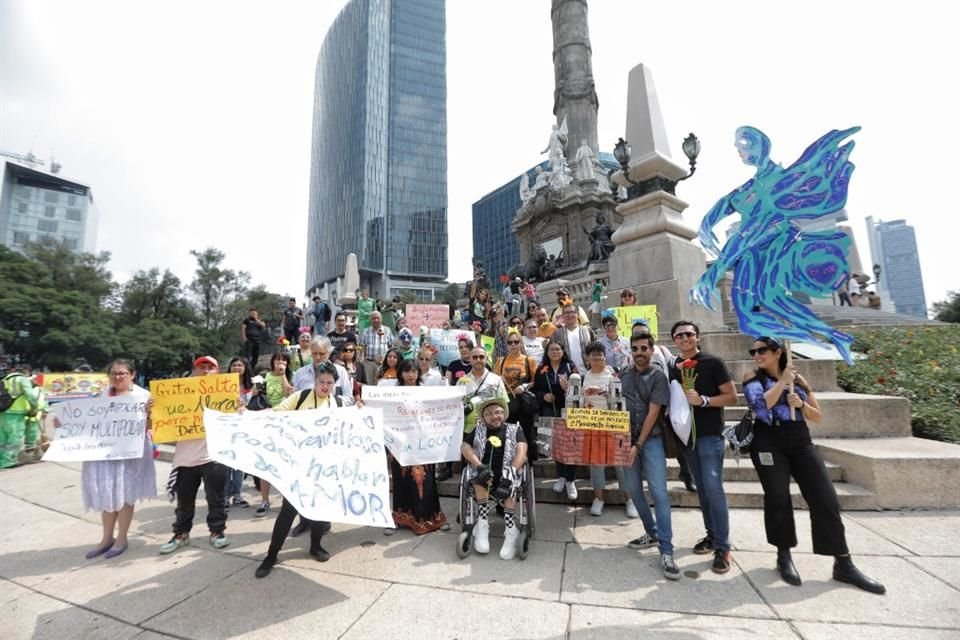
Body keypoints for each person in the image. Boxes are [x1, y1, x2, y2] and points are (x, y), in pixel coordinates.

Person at [743, 337, 885, 593]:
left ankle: (843, 561)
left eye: (761, 350)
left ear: (777, 352)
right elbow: (760, 406)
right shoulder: (752, 377)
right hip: (768, 439)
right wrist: (782, 383)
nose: (756, 355)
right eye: (753, 351)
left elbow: (817, 416)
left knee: (825, 498)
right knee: (777, 498)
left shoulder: (798, 379)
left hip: (800, 439)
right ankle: (783, 555)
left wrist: (803, 405)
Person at [254, 362, 343, 578]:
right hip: (298, 465)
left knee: (320, 510)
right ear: (315, 381)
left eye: (329, 383)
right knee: (288, 510)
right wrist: (248, 414)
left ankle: (315, 545)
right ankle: (272, 554)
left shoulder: (337, 403)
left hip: (323, 467)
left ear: (334, 384)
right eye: (321, 382)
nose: (324, 386)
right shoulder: (301, 397)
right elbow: (275, 413)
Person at [669, 320, 738, 573]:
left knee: (713, 488)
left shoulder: (713, 362)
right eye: (679, 335)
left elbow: (731, 397)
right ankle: (712, 535)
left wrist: (704, 400)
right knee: (703, 490)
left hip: (710, 435)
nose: (685, 338)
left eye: (689, 334)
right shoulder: (674, 367)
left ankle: (723, 546)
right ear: (674, 340)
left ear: (697, 337)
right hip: (688, 437)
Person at [78, 359, 156, 559]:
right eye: (114, 373)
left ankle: (121, 538)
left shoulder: (144, 396)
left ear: (132, 375)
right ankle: (106, 538)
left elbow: (151, 426)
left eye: (122, 373)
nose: (118, 377)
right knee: (107, 494)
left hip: (131, 454)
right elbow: (87, 422)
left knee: (124, 495)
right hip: (106, 454)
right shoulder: (101, 396)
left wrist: (150, 415)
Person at [620, 335, 679, 580]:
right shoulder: (624, 375)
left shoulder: (658, 376)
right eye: (635, 349)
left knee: (659, 493)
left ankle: (666, 550)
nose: (639, 352)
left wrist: (638, 444)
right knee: (634, 490)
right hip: (627, 440)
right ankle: (651, 531)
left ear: (652, 350)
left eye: (644, 348)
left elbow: (654, 413)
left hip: (651, 440)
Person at [160, 356, 231, 555]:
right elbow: (157, 426)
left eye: (211, 367)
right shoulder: (178, 395)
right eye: (202, 367)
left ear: (217, 372)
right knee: (184, 501)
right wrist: (153, 412)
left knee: (216, 499)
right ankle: (181, 534)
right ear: (194, 371)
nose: (206, 371)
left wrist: (239, 409)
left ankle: (217, 532)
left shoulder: (226, 395)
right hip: (185, 458)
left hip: (214, 456)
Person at [383, 359, 450, 536]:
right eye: (407, 371)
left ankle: (434, 518)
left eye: (414, 371)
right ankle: (399, 518)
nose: (411, 375)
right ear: (401, 373)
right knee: (401, 481)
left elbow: (440, 411)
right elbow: (384, 414)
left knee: (426, 481)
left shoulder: (426, 393)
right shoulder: (392, 395)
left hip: (424, 444)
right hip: (400, 445)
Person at [461, 396, 528, 560]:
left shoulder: (515, 429)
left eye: (498, 412)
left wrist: (509, 474)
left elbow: (522, 453)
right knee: (478, 478)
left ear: (504, 414)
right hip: (486, 472)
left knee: (512, 483)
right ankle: (482, 524)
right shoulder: (478, 429)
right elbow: (465, 446)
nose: (494, 416)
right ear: (483, 417)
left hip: (508, 471)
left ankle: (511, 530)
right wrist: (479, 466)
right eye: (489, 413)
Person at [581, 341, 636, 518]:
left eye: (599, 354)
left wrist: (602, 391)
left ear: (605, 356)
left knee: (621, 464)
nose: (596, 358)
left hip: (614, 423)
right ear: (587, 358)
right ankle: (598, 498)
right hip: (592, 423)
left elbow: (621, 396)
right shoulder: (583, 376)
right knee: (596, 464)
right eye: (592, 355)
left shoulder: (613, 374)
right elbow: (579, 400)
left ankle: (629, 499)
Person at [533, 339, 578, 500]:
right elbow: (536, 390)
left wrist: (568, 388)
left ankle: (571, 480)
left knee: (570, 444)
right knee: (557, 444)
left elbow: (579, 389)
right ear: (547, 352)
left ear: (563, 351)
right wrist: (543, 396)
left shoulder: (570, 367)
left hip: (568, 410)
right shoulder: (541, 369)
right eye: (552, 350)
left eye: (558, 349)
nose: (555, 352)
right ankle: (562, 476)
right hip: (550, 409)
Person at [494, 328, 540, 460]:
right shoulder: (500, 361)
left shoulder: (528, 360)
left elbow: (535, 381)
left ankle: (528, 459)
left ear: (521, 343)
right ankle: (509, 458)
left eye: (516, 341)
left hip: (524, 402)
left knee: (526, 430)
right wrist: (499, 381)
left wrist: (524, 386)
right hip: (507, 401)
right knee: (508, 432)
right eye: (510, 342)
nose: (513, 345)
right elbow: (493, 382)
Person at [224, 357, 253, 509]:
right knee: (225, 464)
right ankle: (224, 497)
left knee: (239, 464)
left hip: (243, 428)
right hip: (226, 427)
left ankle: (237, 494)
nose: (236, 367)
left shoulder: (251, 386)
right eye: (234, 365)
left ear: (245, 368)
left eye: (240, 365)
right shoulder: (221, 385)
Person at [458, 347, 508, 435]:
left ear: (486, 359)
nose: (478, 360)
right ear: (470, 359)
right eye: (475, 357)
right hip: (467, 429)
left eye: (481, 357)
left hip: (490, 428)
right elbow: (456, 406)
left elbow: (504, 405)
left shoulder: (496, 380)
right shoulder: (461, 381)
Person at [292, 336, 353, 401]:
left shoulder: (340, 371)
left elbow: (349, 398)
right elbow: (293, 399)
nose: (318, 357)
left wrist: (330, 403)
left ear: (329, 353)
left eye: (322, 354)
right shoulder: (300, 373)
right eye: (314, 353)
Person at [1, 367, 40, 468]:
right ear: (26, 372)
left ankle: (1, 460)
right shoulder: (22, 379)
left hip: (3, 411)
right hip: (16, 411)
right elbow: (30, 395)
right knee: (15, 436)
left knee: (3, 437)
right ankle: (8, 460)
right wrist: (34, 408)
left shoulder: (4, 380)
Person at [550, 302, 595, 372]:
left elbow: (595, 349)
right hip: (566, 374)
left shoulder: (587, 330)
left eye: (572, 312)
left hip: (589, 372)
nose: (569, 315)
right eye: (566, 313)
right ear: (562, 316)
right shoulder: (557, 334)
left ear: (578, 314)